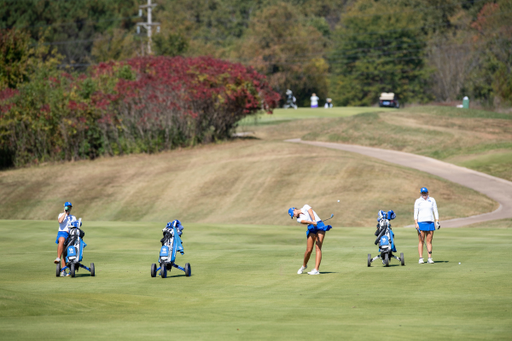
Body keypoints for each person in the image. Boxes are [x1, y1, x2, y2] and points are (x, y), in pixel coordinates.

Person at [288, 205, 332, 275]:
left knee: (318, 248)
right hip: (311, 228)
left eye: (293, 214)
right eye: (293, 216)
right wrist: (312, 223)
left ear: (294, 209)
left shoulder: (305, 206)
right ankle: (304, 266)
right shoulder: (298, 219)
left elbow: (311, 212)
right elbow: (304, 221)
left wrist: (314, 220)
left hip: (320, 225)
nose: (294, 216)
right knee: (309, 250)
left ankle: (316, 270)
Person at [414, 187, 440, 264]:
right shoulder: (418, 201)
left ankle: (429, 258)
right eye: (423, 193)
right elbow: (416, 212)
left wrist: (437, 221)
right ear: (421, 193)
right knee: (421, 241)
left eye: (425, 193)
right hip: (421, 222)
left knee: (429, 241)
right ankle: (421, 258)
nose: (424, 194)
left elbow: (435, 210)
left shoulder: (432, 200)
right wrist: (416, 223)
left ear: (428, 193)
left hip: (430, 222)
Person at [54, 201, 77, 276]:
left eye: (69, 207)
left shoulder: (73, 217)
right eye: (67, 207)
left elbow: (76, 226)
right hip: (62, 232)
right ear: (64, 207)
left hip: (70, 234)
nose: (68, 208)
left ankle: (63, 271)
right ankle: (58, 258)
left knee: (66, 253)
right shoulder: (61, 215)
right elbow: (60, 221)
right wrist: (65, 213)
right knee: (61, 240)